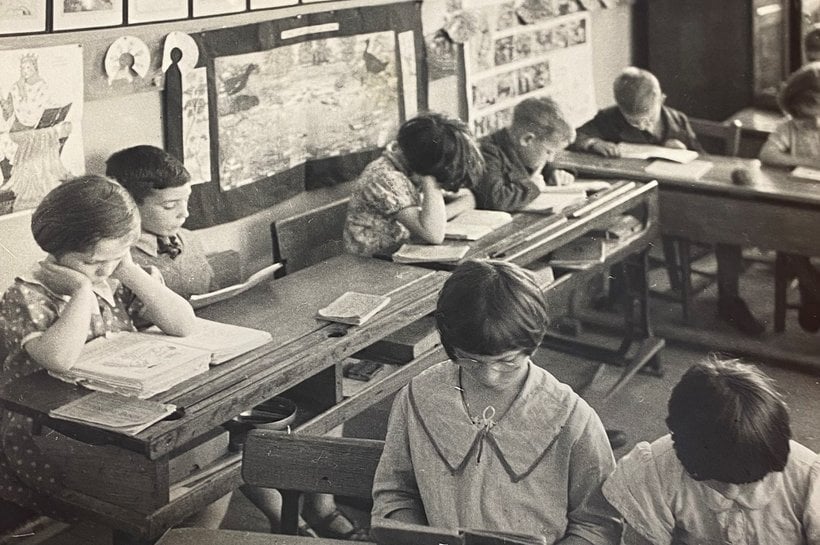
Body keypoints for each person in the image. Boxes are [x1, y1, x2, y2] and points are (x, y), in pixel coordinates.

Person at [372, 259, 621, 545]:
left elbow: (598, 525)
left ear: (534, 344)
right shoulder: (419, 396)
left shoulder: (572, 418)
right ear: (448, 343)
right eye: (471, 360)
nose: (490, 376)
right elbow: (395, 493)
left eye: (507, 361)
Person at [0, 175, 198, 518]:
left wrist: (130, 269)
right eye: (92, 262)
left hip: (113, 418)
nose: (105, 270)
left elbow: (183, 325)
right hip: (50, 433)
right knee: (176, 485)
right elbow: (58, 359)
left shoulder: (117, 279)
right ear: (56, 250)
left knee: (214, 462)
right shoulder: (27, 295)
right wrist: (81, 291)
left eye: (117, 257)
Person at [573, 66, 764, 337]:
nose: (640, 125)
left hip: (683, 202)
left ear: (661, 99)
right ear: (619, 107)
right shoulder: (609, 119)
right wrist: (592, 143)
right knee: (619, 225)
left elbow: (706, 163)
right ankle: (626, 299)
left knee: (728, 222)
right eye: (632, 120)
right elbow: (576, 136)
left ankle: (729, 300)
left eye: (646, 118)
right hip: (641, 204)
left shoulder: (677, 121)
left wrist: (686, 152)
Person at [602, 357, 820, 545]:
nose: (731, 492)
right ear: (682, 452)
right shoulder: (656, 472)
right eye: (716, 479)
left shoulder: (808, 480)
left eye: (750, 481)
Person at [343, 112, 483, 256]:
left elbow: (468, 198)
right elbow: (434, 234)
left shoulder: (410, 165)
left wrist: (431, 217)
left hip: (401, 255)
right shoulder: (385, 177)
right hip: (373, 266)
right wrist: (429, 179)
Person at [105, 145, 215, 300]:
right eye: (169, 206)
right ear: (129, 204)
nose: (185, 213)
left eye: (186, 199)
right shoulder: (118, 260)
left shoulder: (190, 239)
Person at [759, 63, 820, 332]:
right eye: (807, 118)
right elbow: (767, 155)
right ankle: (812, 293)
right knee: (791, 242)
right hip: (798, 207)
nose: (815, 123)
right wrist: (805, 160)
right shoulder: (788, 128)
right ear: (794, 109)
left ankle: (814, 294)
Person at [471, 96, 576, 212]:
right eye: (549, 152)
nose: (550, 159)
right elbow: (496, 199)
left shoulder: (525, 151)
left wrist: (553, 173)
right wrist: (533, 187)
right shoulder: (488, 153)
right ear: (527, 139)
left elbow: (538, 167)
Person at [0, 53, 72, 211]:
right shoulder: (16, 86)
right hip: (19, 126)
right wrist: (7, 106)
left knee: (47, 133)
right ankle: (9, 177)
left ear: (34, 68)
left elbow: (41, 105)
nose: (25, 71)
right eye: (23, 68)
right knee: (13, 139)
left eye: (28, 67)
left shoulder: (41, 85)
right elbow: (10, 110)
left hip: (35, 124)